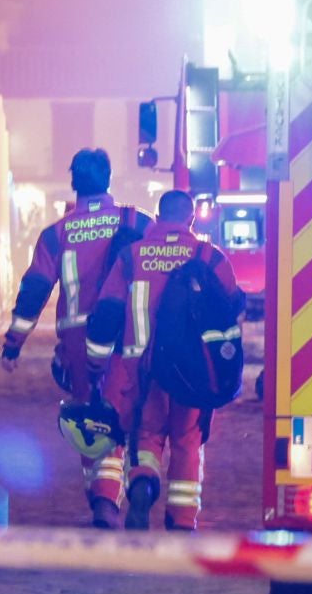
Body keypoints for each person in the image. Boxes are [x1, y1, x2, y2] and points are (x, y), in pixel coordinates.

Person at [1, 148, 149, 528]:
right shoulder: (134, 220)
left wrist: (14, 343)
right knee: (133, 413)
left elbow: (35, 290)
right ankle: (123, 491)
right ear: (108, 180)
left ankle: (102, 499)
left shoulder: (56, 234)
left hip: (77, 339)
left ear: (74, 183)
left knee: (92, 414)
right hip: (130, 333)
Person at [86, 190, 242, 531]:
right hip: (190, 372)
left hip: (139, 368)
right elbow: (232, 306)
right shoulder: (209, 256)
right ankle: (183, 520)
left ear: (157, 218)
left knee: (146, 435)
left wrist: (95, 363)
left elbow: (107, 312)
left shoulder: (131, 256)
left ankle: (142, 485)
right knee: (187, 441)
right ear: (190, 220)